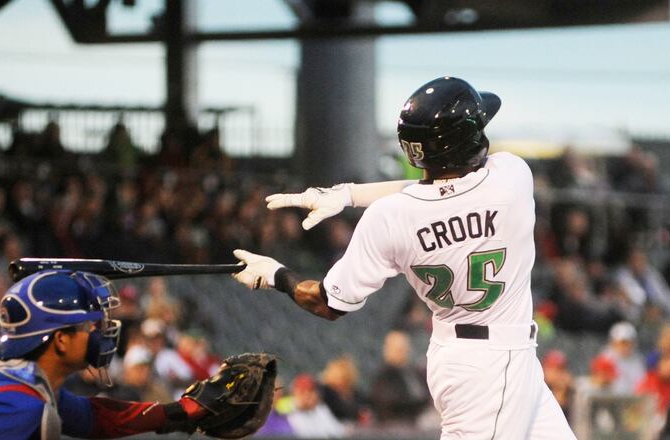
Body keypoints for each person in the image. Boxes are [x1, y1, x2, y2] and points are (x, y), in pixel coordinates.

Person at [232, 76, 576, 438]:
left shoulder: (389, 216)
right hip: (491, 367)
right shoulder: (513, 177)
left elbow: (329, 303)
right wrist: (350, 194)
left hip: (466, 355)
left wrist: (277, 274)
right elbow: (451, 187)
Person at [0, 270, 207, 438]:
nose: (97, 332)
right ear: (61, 340)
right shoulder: (19, 409)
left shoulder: (27, 381)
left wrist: (180, 411)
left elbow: (98, 417)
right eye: (88, 326)